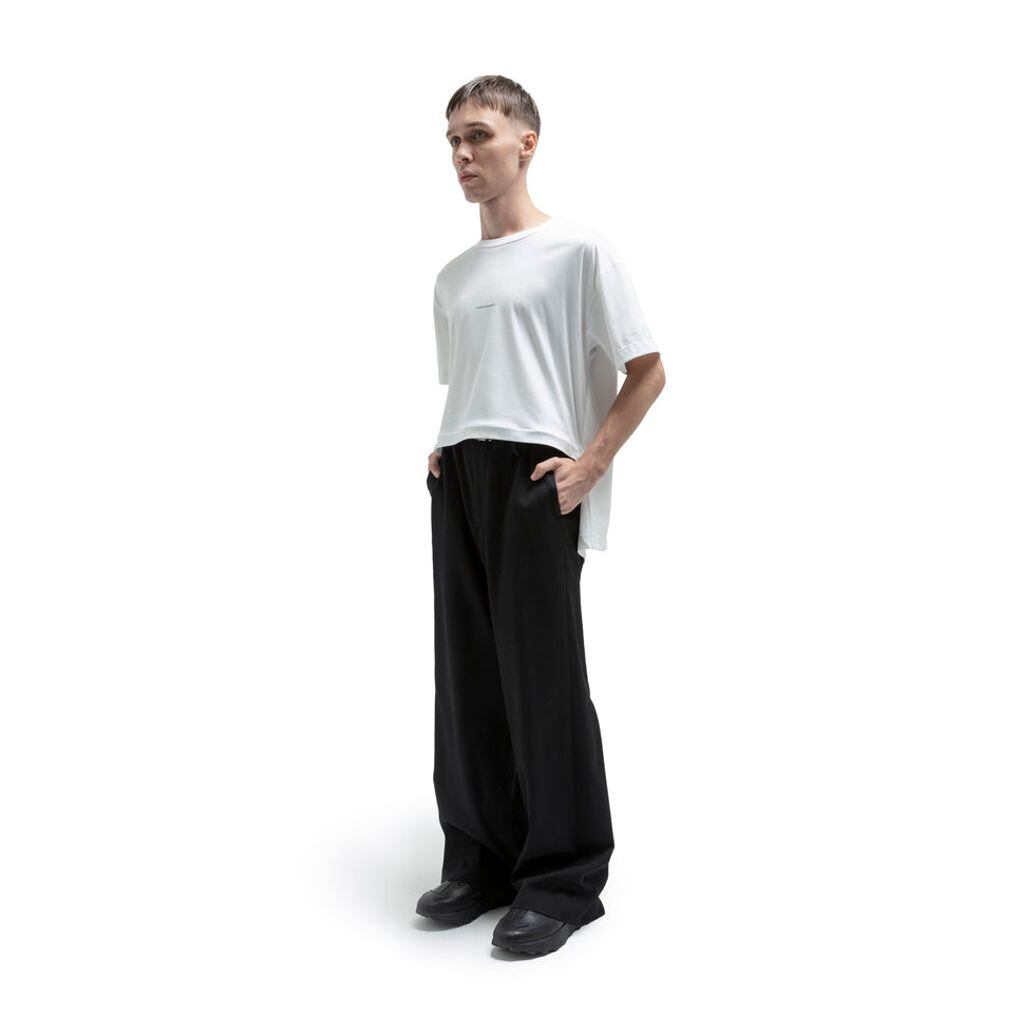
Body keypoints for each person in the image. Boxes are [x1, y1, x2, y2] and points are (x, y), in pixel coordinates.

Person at [416, 75, 666, 957]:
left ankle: (563, 877)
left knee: (542, 678)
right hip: (460, 474)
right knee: (467, 678)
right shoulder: (451, 278)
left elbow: (647, 369)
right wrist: (446, 449)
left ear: (526, 142)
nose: (462, 153)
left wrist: (590, 465)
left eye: (478, 135)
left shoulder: (577, 251)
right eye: (452, 139)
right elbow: (475, 380)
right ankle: (479, 858)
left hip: (537, 476)